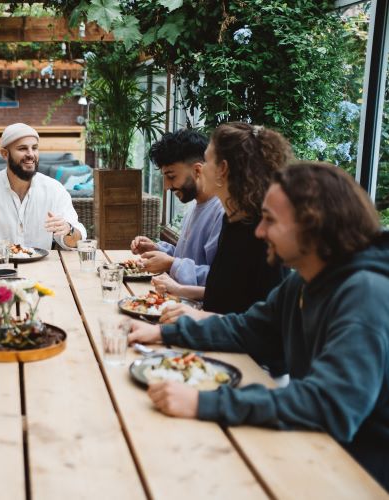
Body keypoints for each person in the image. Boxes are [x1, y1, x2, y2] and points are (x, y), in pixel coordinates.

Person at [127, 161, 389, 491]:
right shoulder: (303, 283)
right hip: (314, 449)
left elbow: (328, 405)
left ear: (312, 226)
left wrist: (204, 402)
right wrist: (164, 332)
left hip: (358, 477)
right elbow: (246, 330)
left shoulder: (364, 293)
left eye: (270, 220)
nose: (259, 232)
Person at [154, 122, 289, 322]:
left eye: (206, 161)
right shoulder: (232, 220)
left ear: (222, 169)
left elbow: (261, 323)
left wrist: (198, 318)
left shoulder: (258, 229)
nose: (199, 169)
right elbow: (225, 295)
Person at [0, 123, 86, 250]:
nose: (31, 154)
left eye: (34, 148)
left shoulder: (54, 190)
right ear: (4, 154)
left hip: (40, 270)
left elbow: (74, 242)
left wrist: (69, 230)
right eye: (22, 148)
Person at [130, 129, 224, 285]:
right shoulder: (195, 206)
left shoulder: (221, 213)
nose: (166, 187)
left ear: (197, 170)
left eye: (171, 176)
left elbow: (221, 280)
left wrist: (171, 264)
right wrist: (157, 250)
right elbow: (189, 258)